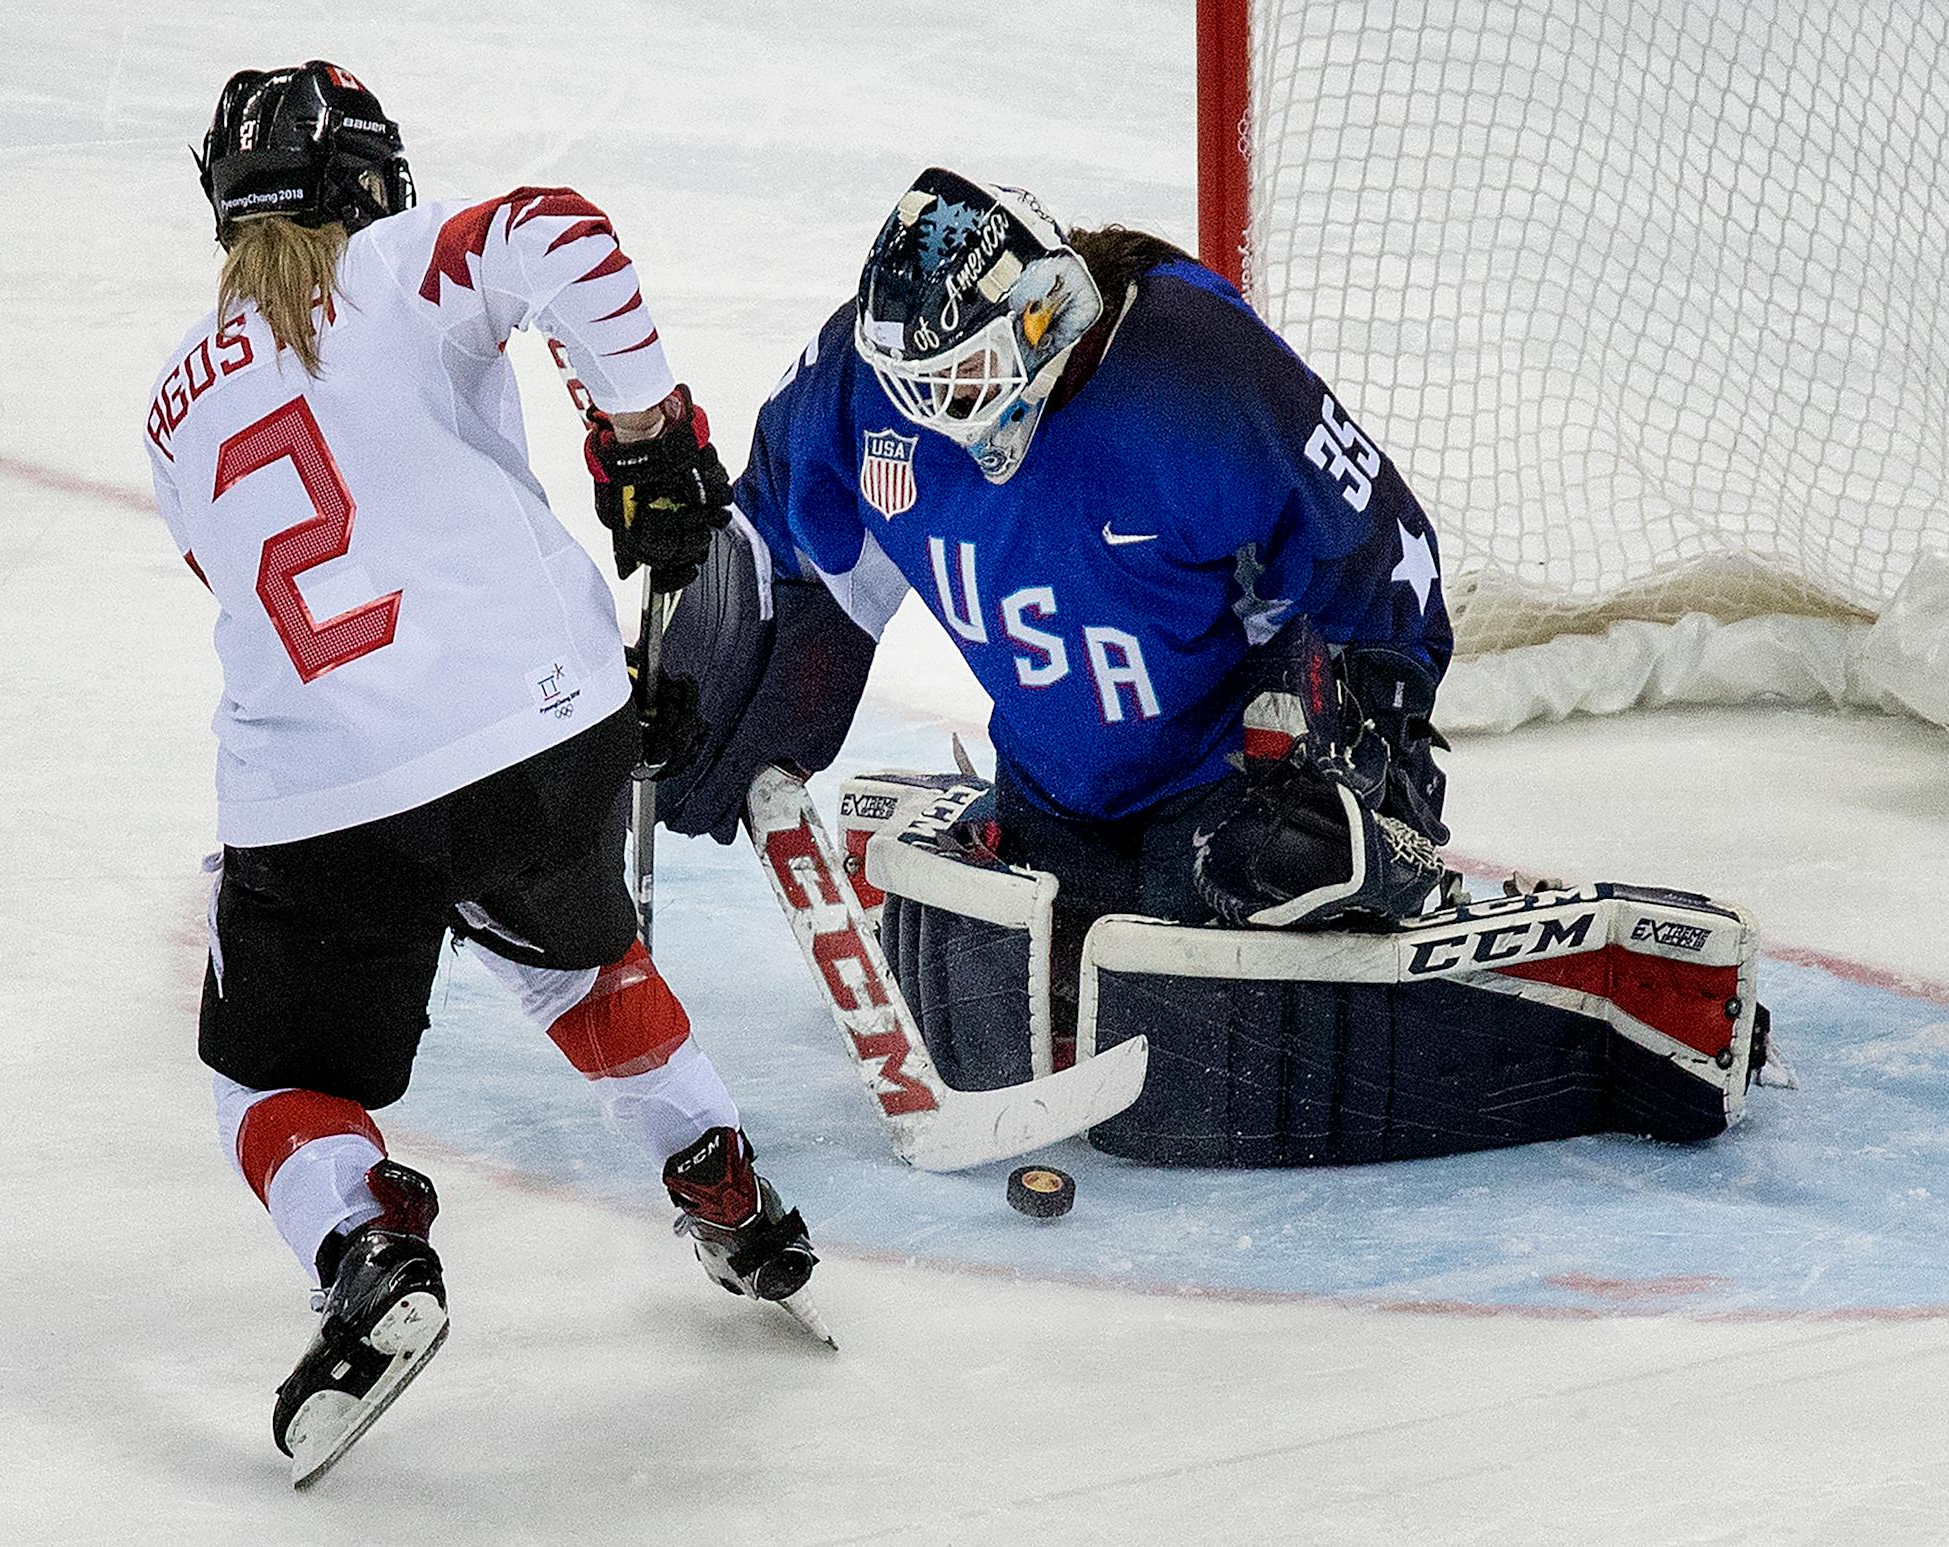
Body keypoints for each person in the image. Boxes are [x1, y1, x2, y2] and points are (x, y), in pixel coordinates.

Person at [143, 61, 816, 1485]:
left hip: (322, 797)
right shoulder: (400, 261)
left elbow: (246, 582)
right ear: (371, 176)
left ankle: (371, 1249)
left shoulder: (169, 407)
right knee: (577, 963)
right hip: (544, 739)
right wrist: (650, 439)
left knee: (270, 1079)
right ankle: (723, 1180)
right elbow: (564, 232)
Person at [655, 166, 1455, 1007]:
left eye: (960, 379)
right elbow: (777, 536)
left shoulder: (1198, 375)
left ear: (1036, 319)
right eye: (915, 387)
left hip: (1224, 782)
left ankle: (1356, 857)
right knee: (1031, 980)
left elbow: (1378, 551)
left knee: (1246, 896)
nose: (933, 411)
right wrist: (708, 666)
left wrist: (1379, 762)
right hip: (1051, 791)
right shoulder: (863, 390)